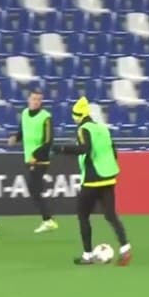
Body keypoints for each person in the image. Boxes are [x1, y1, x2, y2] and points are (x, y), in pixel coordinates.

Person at [52, 97, 131, 266]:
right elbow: (113, 151)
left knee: (83, 215)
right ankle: (125, 248)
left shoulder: (83, 129)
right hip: (108, 177)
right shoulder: (102, 128)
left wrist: (61, 149)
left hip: (92, 180)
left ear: (77, 116)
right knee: (110, 215)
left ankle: (87, 255)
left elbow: (84, 149)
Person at [8, 89, 57, 234]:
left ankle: (48, 220)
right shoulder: (24, 113)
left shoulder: (46, 117)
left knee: (34, 189)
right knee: (35, 190)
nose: (36, 102)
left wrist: (36, 155)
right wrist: (15, 138)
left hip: (40, 160)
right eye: (34, 99)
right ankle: (48, 220)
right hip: (29, 159)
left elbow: (48, 141)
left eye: (39, 99)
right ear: (29, 99)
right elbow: (22, 132)